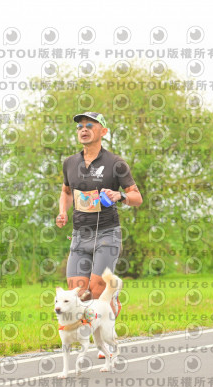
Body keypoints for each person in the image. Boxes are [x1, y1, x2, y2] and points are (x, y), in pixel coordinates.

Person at [56, 111, 142, 356]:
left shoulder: (116, 163)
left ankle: (105, 338)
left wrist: (120, 195)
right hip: (79, 235)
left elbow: (137, 197)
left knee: (96, 289)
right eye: (80, 126)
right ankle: (97, 319)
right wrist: (62, 212)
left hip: (107, 234)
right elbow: (66, 192)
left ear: (103, 131)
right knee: (77, 293)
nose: (83, 129)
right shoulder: (69, 163)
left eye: (89, 125)